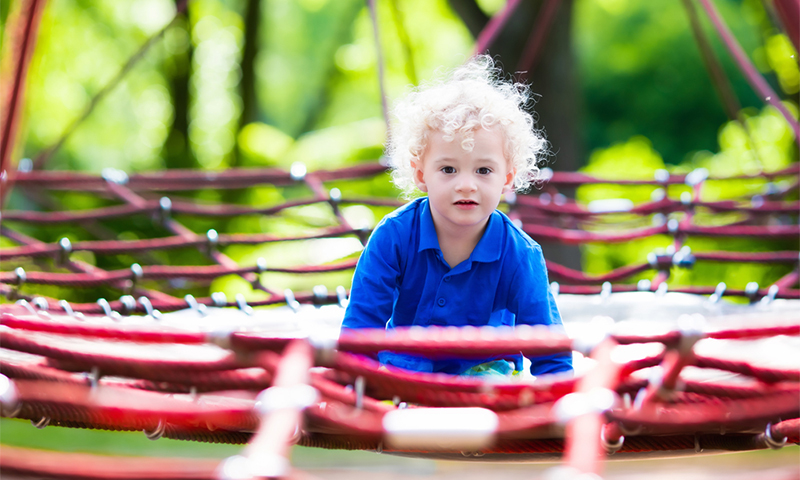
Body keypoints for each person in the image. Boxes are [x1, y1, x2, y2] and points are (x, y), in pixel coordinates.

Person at [341, 55, 572, 377]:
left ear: (507, 178)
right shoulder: (393, 236)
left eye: (483, 170)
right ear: (421, 174)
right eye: (448, 169)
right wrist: (355, 390)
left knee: (490, 383)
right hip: (406, 368)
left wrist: (559, 404)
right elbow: (360, 330)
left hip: (486, 371)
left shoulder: (520, 254)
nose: (466, 185)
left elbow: (549, 345)